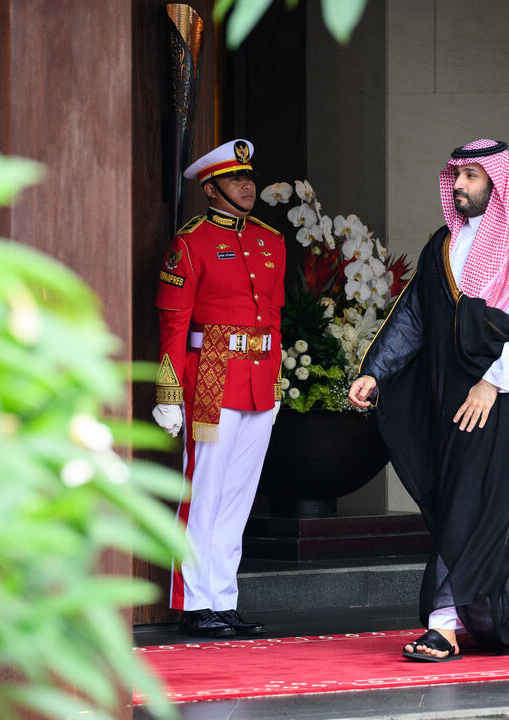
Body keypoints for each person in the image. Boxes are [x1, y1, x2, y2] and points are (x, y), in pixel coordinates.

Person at [348, 139, 509, 661]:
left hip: (503, 400)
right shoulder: (442, 246)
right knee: (476, 507)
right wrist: (377, 374)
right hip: (450, 405)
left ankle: (443, 625)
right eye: (456, 176)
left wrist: (491, 382)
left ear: (497, 181)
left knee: (469, 506)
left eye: (472, 176)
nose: (459, 186)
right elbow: (412, 317)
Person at [153, 138, 285, 638]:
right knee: (203, 494)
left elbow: (273, 318)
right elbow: (171, 323)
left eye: (249, 177)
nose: (247, 185)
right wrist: (169, 392)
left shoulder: (271, 242)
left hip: (257, 382)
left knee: (237, 498)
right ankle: (194, 602)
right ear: (210, 189)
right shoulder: (189, 244)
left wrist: (273, 383)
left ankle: (223, 600)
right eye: (235, 179)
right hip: (208, 375)